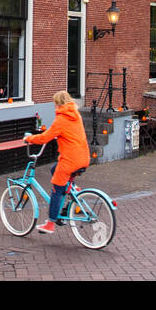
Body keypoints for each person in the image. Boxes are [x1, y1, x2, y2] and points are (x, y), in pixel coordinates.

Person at [22, 91, 91, 236]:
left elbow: (45, 137)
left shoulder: (61, 119)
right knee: (54, 170)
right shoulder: (75, 115)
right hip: (83, 157)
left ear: (58, 103)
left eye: (54, 103)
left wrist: (29, 139)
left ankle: (50, 223)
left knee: (56, 190)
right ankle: (73, 188)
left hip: (70, 160)